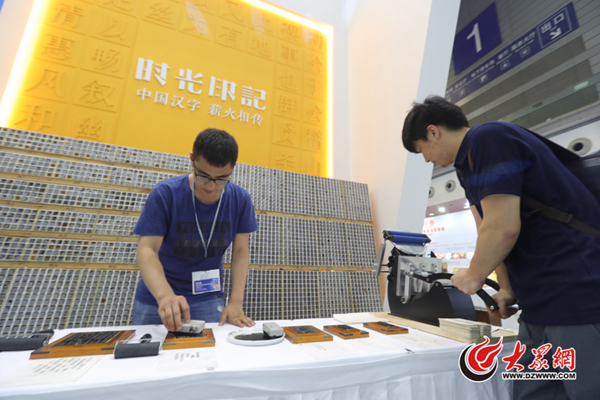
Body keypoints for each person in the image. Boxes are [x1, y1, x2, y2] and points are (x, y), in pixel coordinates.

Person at [402, 95, 600, 400]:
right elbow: (487, 229)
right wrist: (506, 288)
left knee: (586, 390)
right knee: (532, 393)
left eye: (421, 149)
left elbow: (503, 227)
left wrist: (474, 274)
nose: (426, 159)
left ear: (433, 131)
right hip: (538, 303)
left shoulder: (489, 138)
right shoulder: (466, 166)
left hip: (575, 294)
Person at [133, 128, 258, 331]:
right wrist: (164, 295)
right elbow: (147, 249)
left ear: (233, 168)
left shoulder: (240, 199)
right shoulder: (166, 194)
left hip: (207, 297)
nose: (211, 186)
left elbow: (241, 251)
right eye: (204, 176)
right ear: (192, 160)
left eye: (221, 179)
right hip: (158, 297)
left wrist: (236, 301)